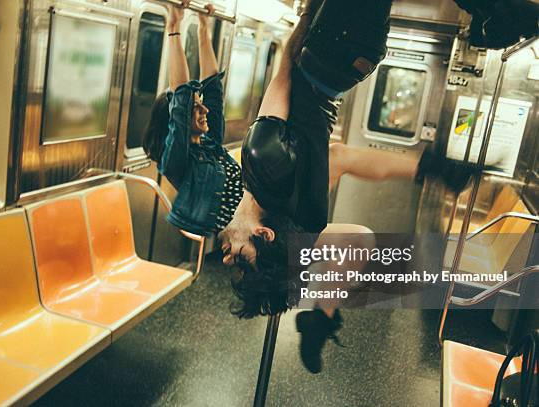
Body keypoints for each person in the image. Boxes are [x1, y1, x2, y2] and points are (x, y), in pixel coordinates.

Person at [219, 0, 535, 373]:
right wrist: (306, 15)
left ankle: (494, 16)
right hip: (331, 49)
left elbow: (343, 163)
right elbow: (283, 75)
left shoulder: (304, 219)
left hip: (356, 58)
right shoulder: (261, 164)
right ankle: (501, 13)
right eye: (241, 257)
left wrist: (432, 169)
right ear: (263, 234)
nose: (227, 255)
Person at [142, 2, 243, 236]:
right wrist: (174, 26)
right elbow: (181, 97)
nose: (204, 110)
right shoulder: (178, 161)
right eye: (196, 108)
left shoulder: (209, 144)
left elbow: (213, 92)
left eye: (200, 105)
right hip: (237, 230)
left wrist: (203, 28)